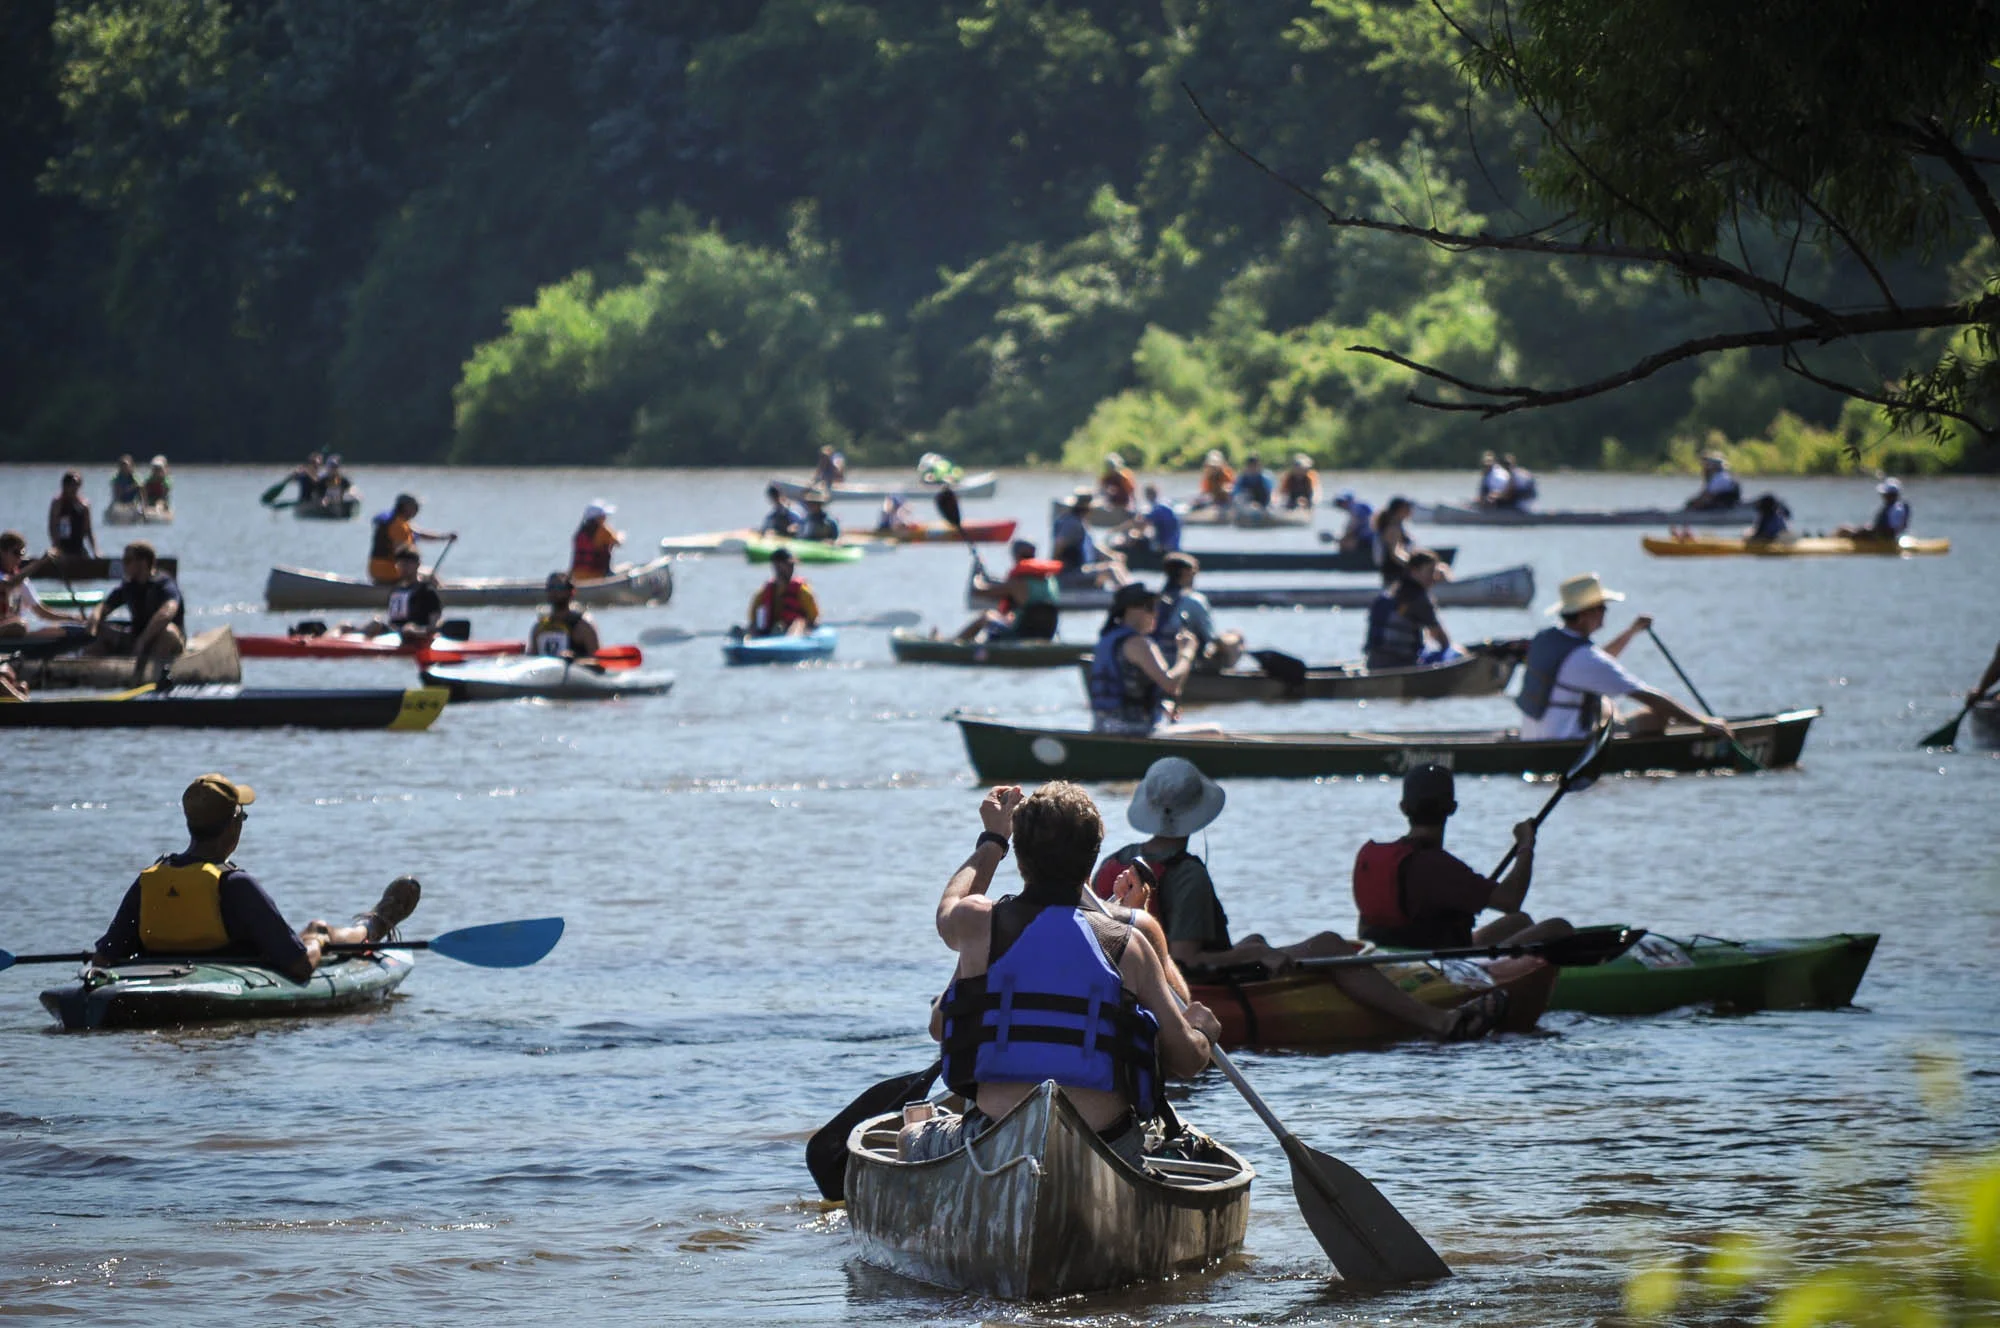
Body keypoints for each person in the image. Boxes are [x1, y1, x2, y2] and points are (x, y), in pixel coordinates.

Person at [905, 781, 1221, 1166]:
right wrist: (1203, 1032)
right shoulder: (1128, 945)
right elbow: (1187, 1060)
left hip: (994, 1136)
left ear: (1021, 856)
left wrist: (992, 839)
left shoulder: (978, 923)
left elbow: (949, 906)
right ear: (1094, 860)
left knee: (910, 1136)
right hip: (1105, 1148)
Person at [1092, 758, 1507, 1040]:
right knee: (1329, 943)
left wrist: (1253, 949)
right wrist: (1255, 956)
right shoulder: (1188, 876)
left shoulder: (1116, 861)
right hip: (1196, 988)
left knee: (1255, 940)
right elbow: (1186, 961)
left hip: (1133, 982)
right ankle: (1438, 1021)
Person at [90, 773, 421, 983]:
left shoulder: (150, 880)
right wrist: (317, 946)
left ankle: (372, 925)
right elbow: (299, 967)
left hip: (175, 971)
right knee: (316, 932)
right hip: (224, 976)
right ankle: (369, 926)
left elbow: (105, 957)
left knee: (313, 929)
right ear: (233, 827)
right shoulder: (235, 885)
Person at [1353, 763, 1572, 954]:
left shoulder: (1373, 858)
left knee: (1519, 922)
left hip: (1397, 959)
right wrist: (1526, 845)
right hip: (1444, 969)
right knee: (1558, 927)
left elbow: (1365, 928)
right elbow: (1510, 900)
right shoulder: (1439, 867)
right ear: (1452, 808)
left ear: (1403, 808)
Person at [1516, 573, 1733, 741]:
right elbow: (1646, 695)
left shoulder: (1547, 640)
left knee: (1609, 705)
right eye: (1601, 608)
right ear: (1583, 615)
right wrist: (1704, 723)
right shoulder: (1584, 658)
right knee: (1655, 717)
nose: (1605, 612)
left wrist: (1632, 631)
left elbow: (1598, 662)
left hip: (1534, 736)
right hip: (1569, 741)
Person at [1088, 584, 1196, 734]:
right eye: (1150, 607)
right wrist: (1187, 652)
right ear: (1131, 610)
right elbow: (1171, 685)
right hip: (1134, 730)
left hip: (1103, 726)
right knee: (1214, 732)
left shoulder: (1107, 638)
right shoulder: (1138, 643)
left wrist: (1161, 706)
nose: (1156, 614)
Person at [85, 541, 184, 663]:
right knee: (102, 629)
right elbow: (104, 607)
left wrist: (143, 640)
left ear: (143, 563)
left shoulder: (164, 584)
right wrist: (94, 622)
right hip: (136, 639)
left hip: (160, 639)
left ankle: (152, 672)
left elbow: (167, 613)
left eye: (127, 560)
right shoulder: (129, 586)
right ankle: (89, 666)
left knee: (169, 632)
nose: (124, 565)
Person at [1364, 549, 1454, 670]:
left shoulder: (1388, 595)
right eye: (1430, 571)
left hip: (1373, 664)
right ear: (1414, 571)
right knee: (1454, 653)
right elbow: (1443, 641)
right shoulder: (1419, 599)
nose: (1435, 577)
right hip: (1403, 665)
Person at [957, 541, 1062, 643]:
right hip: (1047, 635)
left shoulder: (1016, 583)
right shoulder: (1051, 580)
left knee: (987, 616)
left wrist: (977, 574)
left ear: (1016, 556)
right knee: (1006, 618)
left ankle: (954, 644)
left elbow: (978, 591)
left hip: (1020, 635)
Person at [1154, 553, 1242, 672]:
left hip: (1155, 660)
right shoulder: (1193, 601)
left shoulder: (1154, 600)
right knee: (1235, 638)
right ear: (1186, 572)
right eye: (1194, 573)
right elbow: (1210, 637)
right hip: (1182, 663)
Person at [343, 546, 442, 639]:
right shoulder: (396, 590)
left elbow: (433, 626)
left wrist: (418, 631)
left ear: (417, 565)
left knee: (405, 628)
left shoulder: (427, 591)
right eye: (400, 564)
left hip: (413, 635)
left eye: (407, 563)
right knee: (345, 626)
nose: (403, 568)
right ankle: (341, 640)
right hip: (394, 635)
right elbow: (392, 621)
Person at [1, 530, 85, 639]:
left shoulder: (23, 582)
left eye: (22, 553)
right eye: (16, 553)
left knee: (62, 629)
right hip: (12, 627)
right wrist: (41, 562)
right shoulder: (10, 579)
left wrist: (71, 618)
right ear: (2, 552)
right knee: (19, 626)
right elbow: (8, 584)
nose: (19, 558)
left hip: (16, 630)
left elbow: (41, 612)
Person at [367, 494, 454, 584]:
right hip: (389, 572)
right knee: (431, 576)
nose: (417, 510)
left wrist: (445, 537)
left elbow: (420, 534)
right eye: (415, 507)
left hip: (375, 571)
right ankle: (438, 595)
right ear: (407, 507)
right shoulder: (399, 527)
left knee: (423, 571)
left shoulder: (397, 522)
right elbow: (402, 555)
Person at [1052, 490, 1127, 587]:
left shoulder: (1081, 523)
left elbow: (1092, 548)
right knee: (1111, 570)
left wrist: (1112, 556)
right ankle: (1130, 596)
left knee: (1115, 566)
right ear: (1088, 508)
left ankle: (1132, 592)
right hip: (1068, 575)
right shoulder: (1071, 523)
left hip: (1081, 571)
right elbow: (1059, 545)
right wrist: (1053, 572)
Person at [746, 548, 818, 636]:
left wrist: (809, 626)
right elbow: (753, 619)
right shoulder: (763, 593)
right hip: (770, 628)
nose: (792, 568)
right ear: (776, 566)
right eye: (788, 565)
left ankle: (789, 639)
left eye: (792, 565)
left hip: (795, 628)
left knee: (797, 623)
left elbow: (814, 618)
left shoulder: (802, 591)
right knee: (752, 627)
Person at [529, 572, 601, 657]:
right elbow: (531, 659)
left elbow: (598, 663)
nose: (554, 592)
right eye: (551, 588)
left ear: (571, 592)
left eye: (559, 587)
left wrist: (574, 658)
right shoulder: (539, 628)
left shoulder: (584, 628)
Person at [1837, 478, 1911, 539]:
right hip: (1880, 535)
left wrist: (1871, 530)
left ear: (1890, 495)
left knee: (1844, 530)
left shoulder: (1897, 509)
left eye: (1884, 494)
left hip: (1881, 538)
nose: (1883, 496)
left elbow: (1893, 528)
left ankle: (1830, 541)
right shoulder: (1896, 507)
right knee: (1844, 528)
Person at [48, 470, 95, 559]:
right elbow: (52, 527)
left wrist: (95, 550)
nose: (74, 488)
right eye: (71, 485)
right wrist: (56, 547)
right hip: (62, 547)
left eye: (77, 485)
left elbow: (89, 530)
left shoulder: (84, 505)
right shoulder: (58, 503)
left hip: (78, 547)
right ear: (65, 486)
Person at [571, 501, 623, 580]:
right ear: (598, 518)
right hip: (597, 576)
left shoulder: (580, 533)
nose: (606, 518)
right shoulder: (603, 530)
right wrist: (620, 535)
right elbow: (619, 543)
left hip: (577, 576)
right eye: (604, 516)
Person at [1371, 496, 1417, 582]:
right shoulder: (1393, 528)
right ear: (1400, 509)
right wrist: (1415, 564)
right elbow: (1395, 554)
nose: (1411, 511)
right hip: (1395, 573)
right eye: (1408, 508)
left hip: (1395, 572)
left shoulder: (1397, 525)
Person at [1331, 489, 1376, 556]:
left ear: (1350, 500)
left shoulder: (1356, 508)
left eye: (1343, 501)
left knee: (1344, 543)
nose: (1341, 504)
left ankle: (1346, 562)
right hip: (1371, 539)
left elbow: (1352, 529)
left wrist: (1339, 539)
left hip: (1369, 541)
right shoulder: (1360, 507)